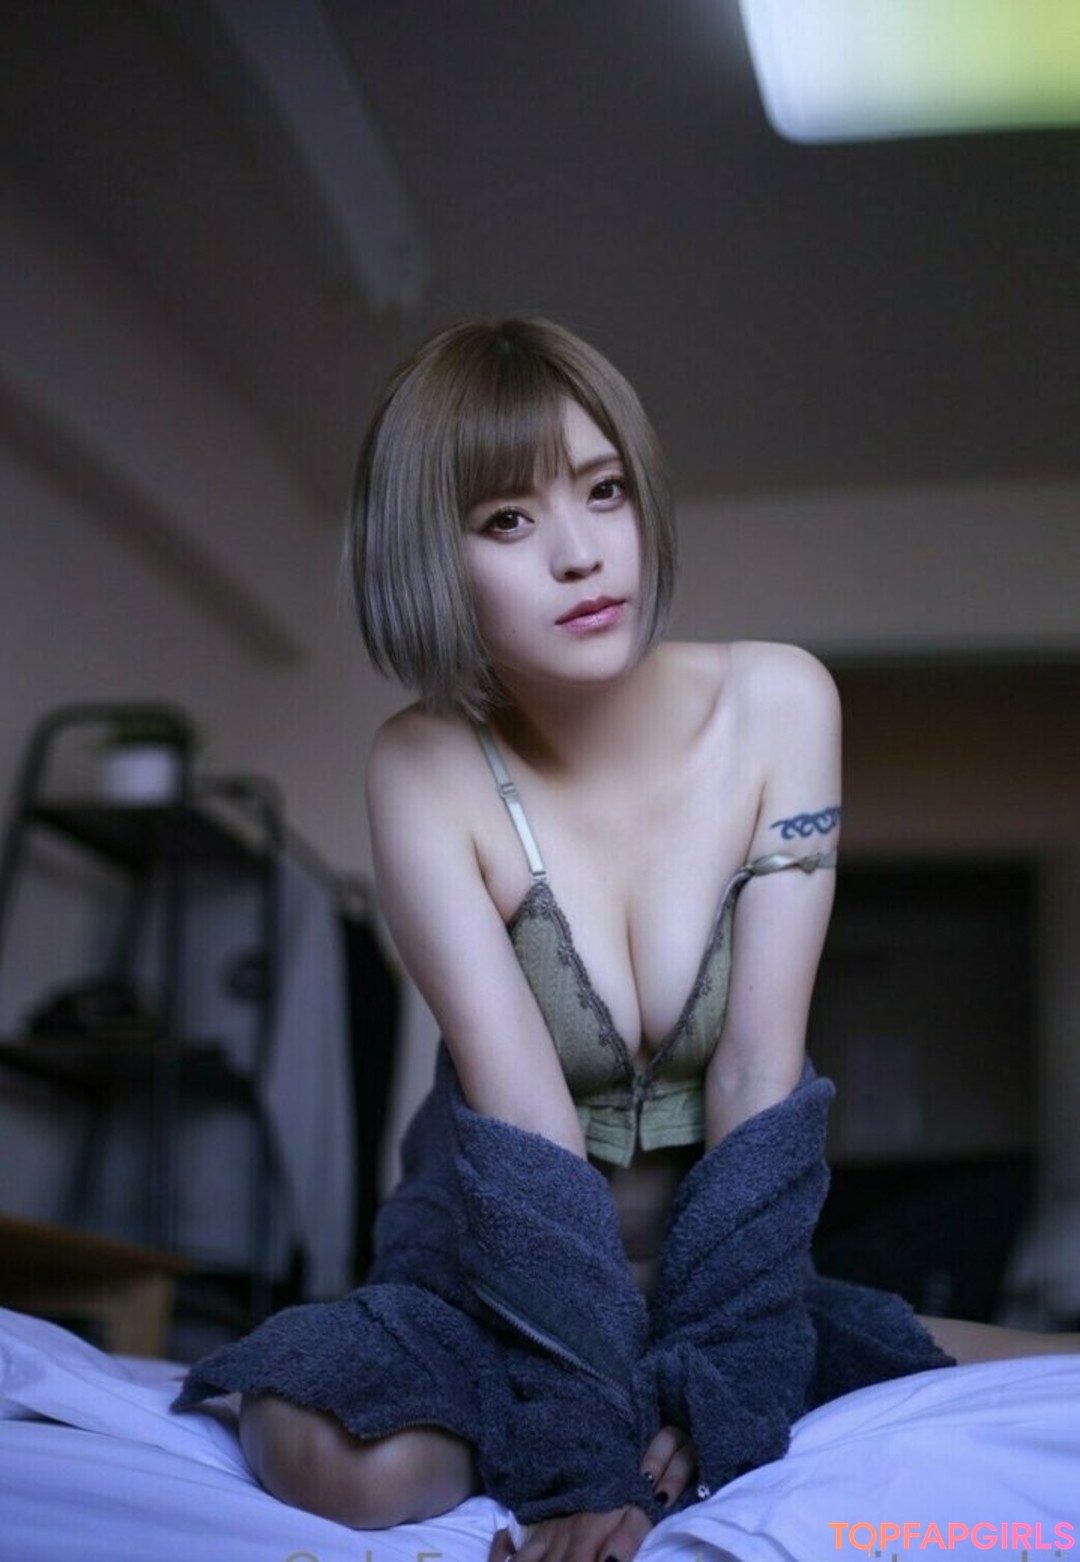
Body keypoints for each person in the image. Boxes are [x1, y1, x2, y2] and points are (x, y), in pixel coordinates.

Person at [175, 318, 1078, 1562]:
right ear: (433, 558)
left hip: (715, 1281)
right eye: (507, 519)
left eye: (603, 491)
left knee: (1040, 1374)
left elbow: (759, 1073)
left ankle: (706, 1367)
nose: (581, 552)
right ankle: (544, 1402)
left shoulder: (778, 702)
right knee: (336, 1456)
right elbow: (526, 1123)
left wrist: (726, 1376)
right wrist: (584, 1458)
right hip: (492, 1288)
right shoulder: (425, 763)